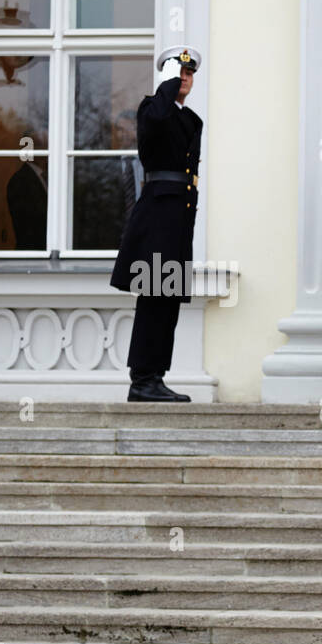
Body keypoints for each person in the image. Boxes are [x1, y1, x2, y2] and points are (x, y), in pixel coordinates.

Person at [109, 46, 203, 402]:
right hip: (158, 215)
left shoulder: (190, 119)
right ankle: (142, 378)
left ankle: (157, 376)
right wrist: (165, 86)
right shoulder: (152, 108)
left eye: (189, 73)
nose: (184, 78)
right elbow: (159, 121)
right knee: (153, 296)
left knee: (169, 299)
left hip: (179, 215)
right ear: (164, 78)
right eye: (177, 73)